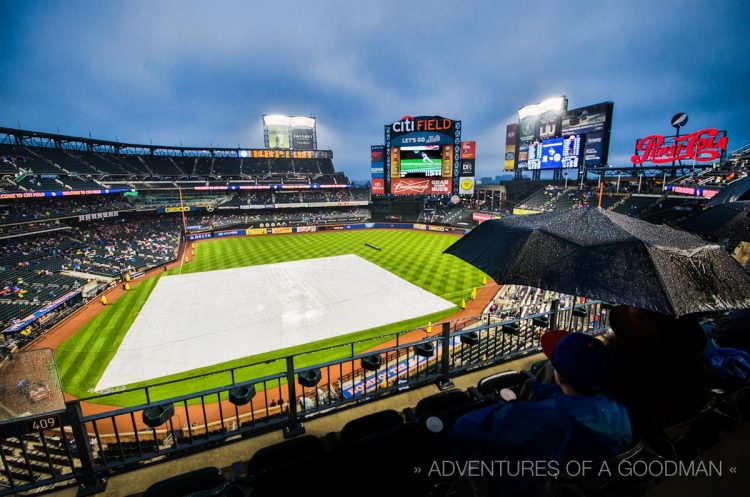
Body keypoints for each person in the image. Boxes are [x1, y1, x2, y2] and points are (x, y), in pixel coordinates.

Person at [446, 331, 631, 496]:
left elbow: (463, 429)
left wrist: (514, 409)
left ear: (559, 376)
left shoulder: (546, 417)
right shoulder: (620, 410)